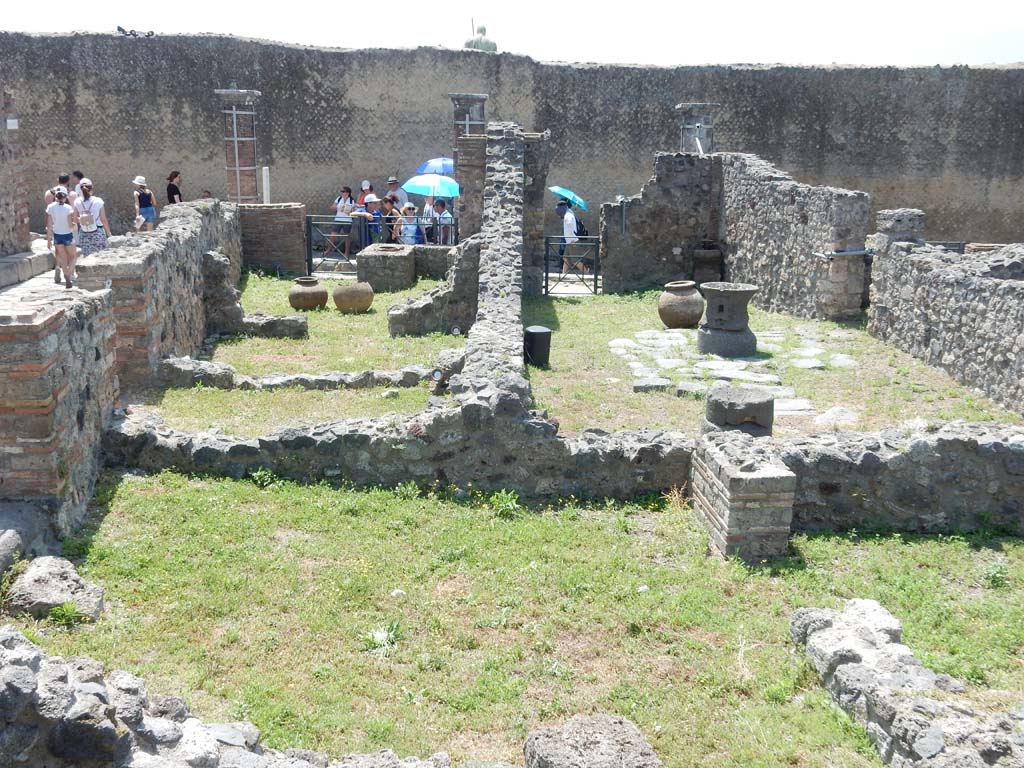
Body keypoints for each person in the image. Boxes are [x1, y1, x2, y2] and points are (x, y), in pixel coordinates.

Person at [46, 189, 78, 288]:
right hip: (67, 234)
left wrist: (49, 239)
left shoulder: (51, 207)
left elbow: (49, 224)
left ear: (56, 197)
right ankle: (69, 273)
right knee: (73, 256)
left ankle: (65, 275)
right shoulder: (68, 208)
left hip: (57, 235)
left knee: (62, 257)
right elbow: (69, 223)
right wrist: (74, 225)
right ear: (65, 198)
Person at [74, 179, 112, 257]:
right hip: (98, 232)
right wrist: (109, 234)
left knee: (87, 257)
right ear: (91, 188)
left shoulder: (77, 202)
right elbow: (103, 219)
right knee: (100, 256)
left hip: (84, 232)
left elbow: (75, 219)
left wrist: (84, 220)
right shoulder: (98, 201)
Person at [557, 199, 586, 275]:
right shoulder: (568, 213)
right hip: (569, 241)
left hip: (572, 241)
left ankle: (587, 274)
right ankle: (563, 275)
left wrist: (572, 239)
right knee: (566, 259)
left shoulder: (568, 215)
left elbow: (569, 224)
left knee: (575, 261)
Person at [330, 185, 356, 257]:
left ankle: (346, 252)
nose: (341, 193)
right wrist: (337, 207)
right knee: (333, 235)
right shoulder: (338, 199)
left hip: (347, 220)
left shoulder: (351, 200)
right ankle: (328, 249)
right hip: (338, 219)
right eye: (341, 191)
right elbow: (332, 207)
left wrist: (349, 211)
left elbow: (354, 211)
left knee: (347, 237)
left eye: (343, 191)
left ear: (347, 193)